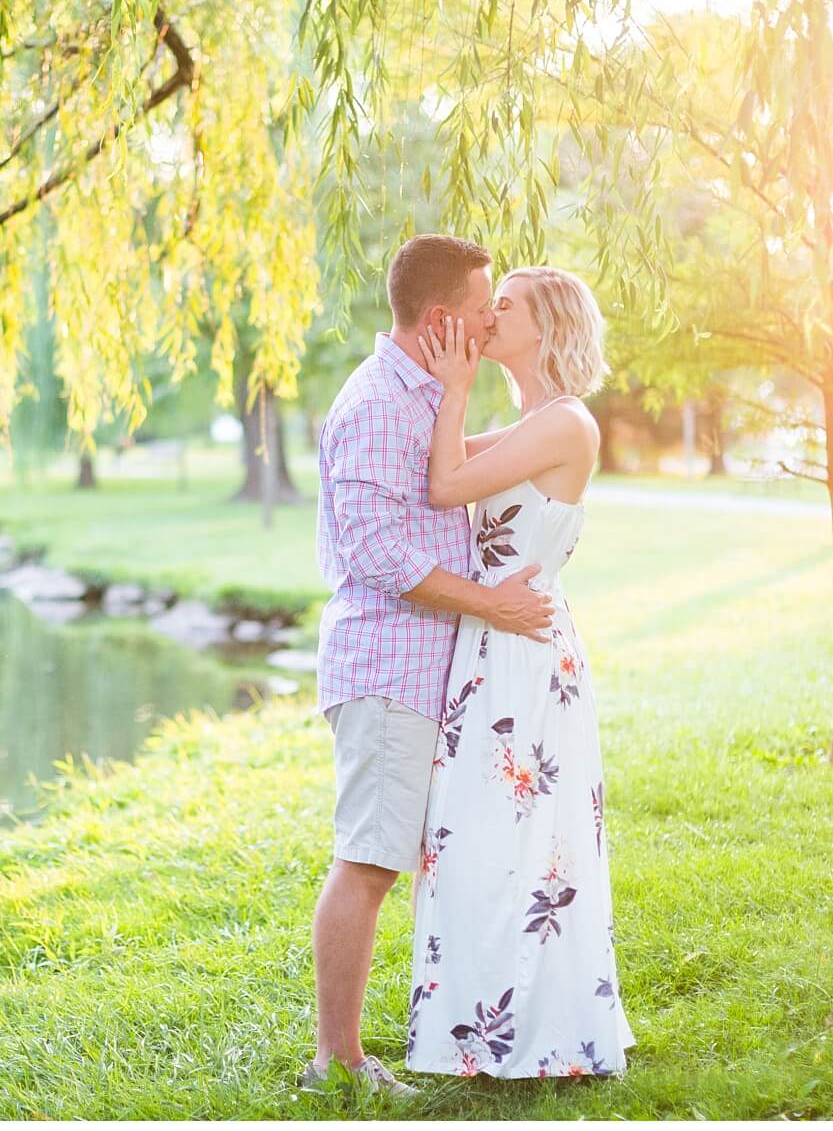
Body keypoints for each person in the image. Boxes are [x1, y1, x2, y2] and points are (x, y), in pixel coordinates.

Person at [301, 235, 558, 1098]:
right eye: (485, 304)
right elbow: (376, 551)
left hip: (428, 671)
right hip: (387, 668)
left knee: (402, 857)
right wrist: (495, 605)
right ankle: (337, 1058)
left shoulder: (425, 395)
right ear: (443, 319)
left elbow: (487, 462)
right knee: (369, 860)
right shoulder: (379, 402)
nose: (492, 318)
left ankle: (426, 1030)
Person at [403, 267, 636, 1079]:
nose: (486, 313)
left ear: (545, 328)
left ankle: (542, 1034)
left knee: (529, 843)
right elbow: (432, 457)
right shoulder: (531, 420)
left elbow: (443, 484)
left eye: (504, 305)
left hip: (525, 652)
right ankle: (482, 1030)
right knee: (478, 834)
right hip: (491, 642)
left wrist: (455, 384)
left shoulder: (565, 424)